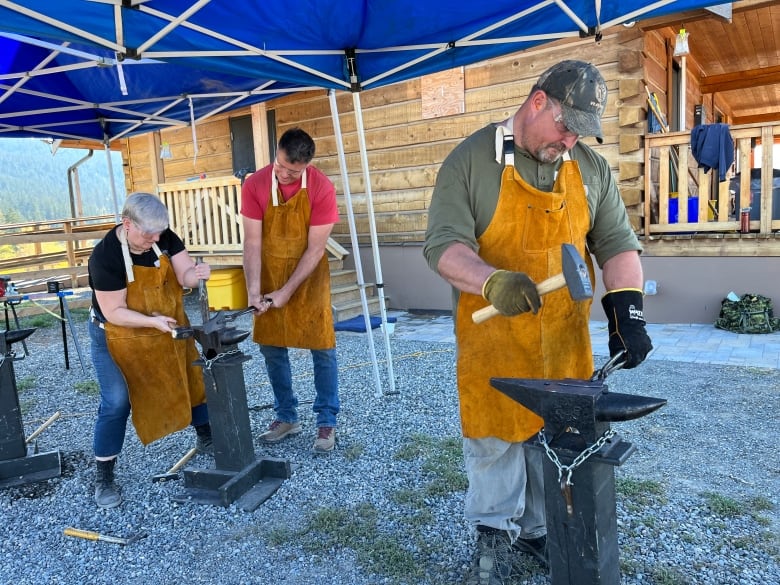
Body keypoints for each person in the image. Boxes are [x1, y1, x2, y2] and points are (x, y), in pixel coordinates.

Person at [423, 60, 653, 583]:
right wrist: (489, 280)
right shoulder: (471, 161)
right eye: (564, 126)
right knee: (495, 439)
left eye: (580, 132)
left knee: (553, 439)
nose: (570, 140)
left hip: (565, 340)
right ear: (536, 102)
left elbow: (616, 245)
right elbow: (444, 247)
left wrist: (628, 307)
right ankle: (493, 533)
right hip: (495, 338)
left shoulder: (590, 168)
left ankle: (536, 531)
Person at [87, 192, 213, 509]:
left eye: (160, 232)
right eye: (148, 233)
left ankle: (208, 438)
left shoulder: (162, 235)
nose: (156, 238)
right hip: (117, 333)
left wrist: (195, 275)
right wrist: (150, 322)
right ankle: (104, 477)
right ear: (127, 224)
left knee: (193, 375)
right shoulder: (105, 256)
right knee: (116, 401)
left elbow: (183, 274)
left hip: (165, 323)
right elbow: (114, 311)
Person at [241, 127, 340, 453]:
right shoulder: (254, 184)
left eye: (293, 171)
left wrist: (286, 291)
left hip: (309, 276)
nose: (284, 174)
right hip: (268, 271)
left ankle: (326, 421)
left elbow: (315, 249)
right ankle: (287, 416)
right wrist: (254, 290)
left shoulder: (322, 188)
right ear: (277, 153)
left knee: (322, 347)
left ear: (306, 167)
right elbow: (252, 242)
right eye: (281, 166)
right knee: (271, 347)